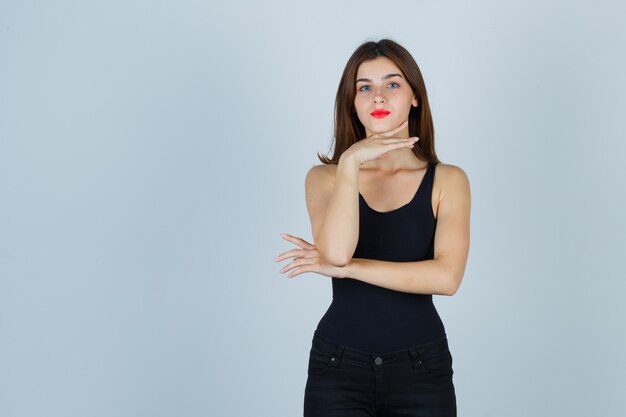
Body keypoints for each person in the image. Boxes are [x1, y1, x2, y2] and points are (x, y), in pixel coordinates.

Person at [274, 38, 471, 417]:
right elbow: (335, 252)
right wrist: (350, 164)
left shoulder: (448, 180)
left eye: (392, 84)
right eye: (364, 87)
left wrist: (348, 270)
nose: (377, 97)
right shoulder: (325, 177)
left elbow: (446, 279)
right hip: (337, 365)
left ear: (415, 97)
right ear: (352, 100)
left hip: (421, 366)